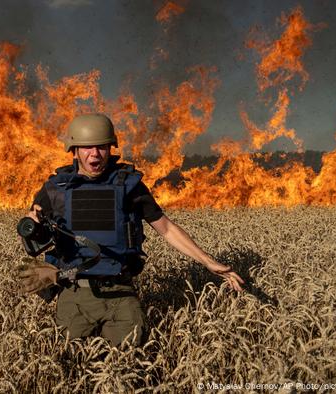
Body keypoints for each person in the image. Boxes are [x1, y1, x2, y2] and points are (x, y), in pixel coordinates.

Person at [18, 113, 244, 346]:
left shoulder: (129, 185)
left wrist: (208, 262)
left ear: (111, 147)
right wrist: (33, 229)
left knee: (130, 362)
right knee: (72, 366)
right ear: (74, 150)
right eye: (87, 148)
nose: (95, 154)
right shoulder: (55, 189)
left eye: (102, 147)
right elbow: (33, 238)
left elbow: (165, 228)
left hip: (121, 293)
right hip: (74, 294)